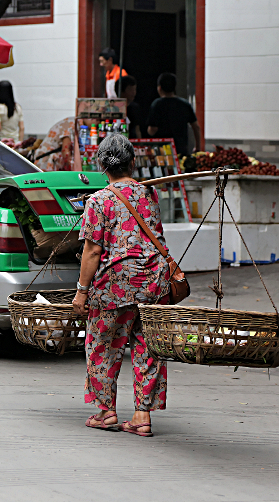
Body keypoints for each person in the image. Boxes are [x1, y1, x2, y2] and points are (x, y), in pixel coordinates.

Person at [72, 133, 170, 437]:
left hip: (114, 284)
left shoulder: (98, 201)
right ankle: (142, 415)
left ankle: (106, 412)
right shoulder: (149, 195)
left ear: (102, 166)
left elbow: (92, 251)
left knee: (102, 346)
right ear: (133, 162)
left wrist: (81, 291)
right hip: (154, 281)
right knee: (148, 347)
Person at [147, 72, 201, 159]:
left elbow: (152, 130)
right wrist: (197, 146)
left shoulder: (157, 104)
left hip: (162, 151)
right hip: (181, 149)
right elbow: (196, 127)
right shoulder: (185, 104)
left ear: (159, 88)